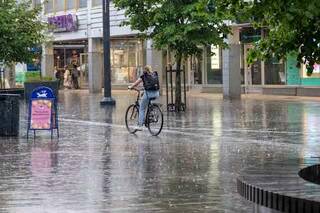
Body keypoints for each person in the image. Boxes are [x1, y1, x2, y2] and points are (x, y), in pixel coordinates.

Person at [128, 65, 160, 131]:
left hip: (148, 94)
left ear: (144, 70)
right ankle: (150, 115)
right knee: (148, 102)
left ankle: (140, 125)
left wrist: (131, 87)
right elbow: (150, 85)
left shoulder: (144, 76)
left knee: (142, 108)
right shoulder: (154, 74)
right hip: (156, 94)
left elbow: (136, 83)